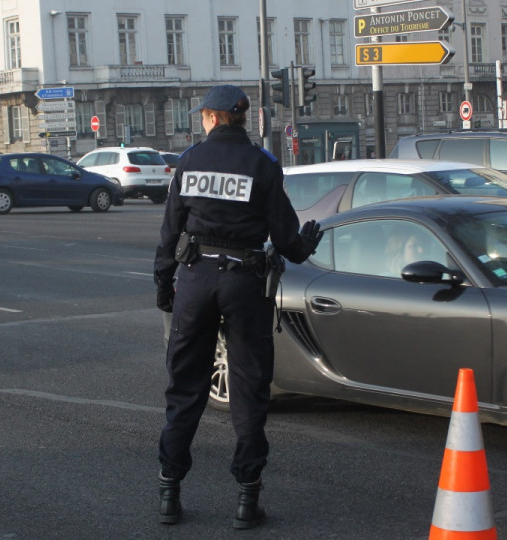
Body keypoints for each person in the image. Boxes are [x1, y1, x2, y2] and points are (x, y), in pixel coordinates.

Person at [153, 84, 322, 530]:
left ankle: (170, 492)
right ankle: (247, 499)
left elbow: (170, 231)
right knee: (249, 390)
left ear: (213, 117)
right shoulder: (262, 164)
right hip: (246, 283)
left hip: (196, 279)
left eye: (203, 115)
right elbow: (285, 238)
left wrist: (163, 284)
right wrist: (305, 244)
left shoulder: (190, 161)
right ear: (242, 118)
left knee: (185, 388)